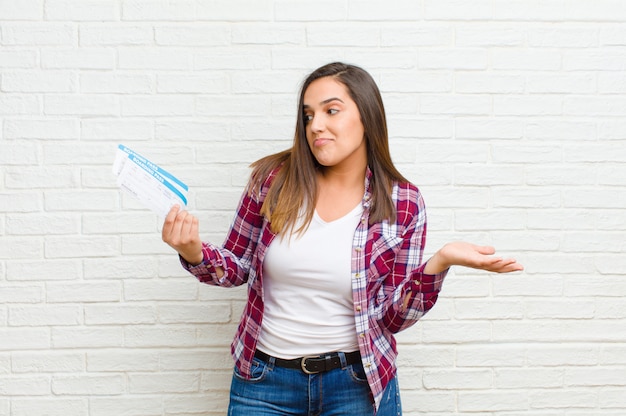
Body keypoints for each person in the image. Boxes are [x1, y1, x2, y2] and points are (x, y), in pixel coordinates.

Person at [162, 62, 523, 415]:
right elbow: (238, 267)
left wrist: (439, 262)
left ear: (367, 116)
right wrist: (193, 252)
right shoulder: (273, 181)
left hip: (356, 385)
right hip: (263, 383)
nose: (316, 125)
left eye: (331, 111)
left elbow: (392, 318)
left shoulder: (404, 203)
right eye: (307, 116)